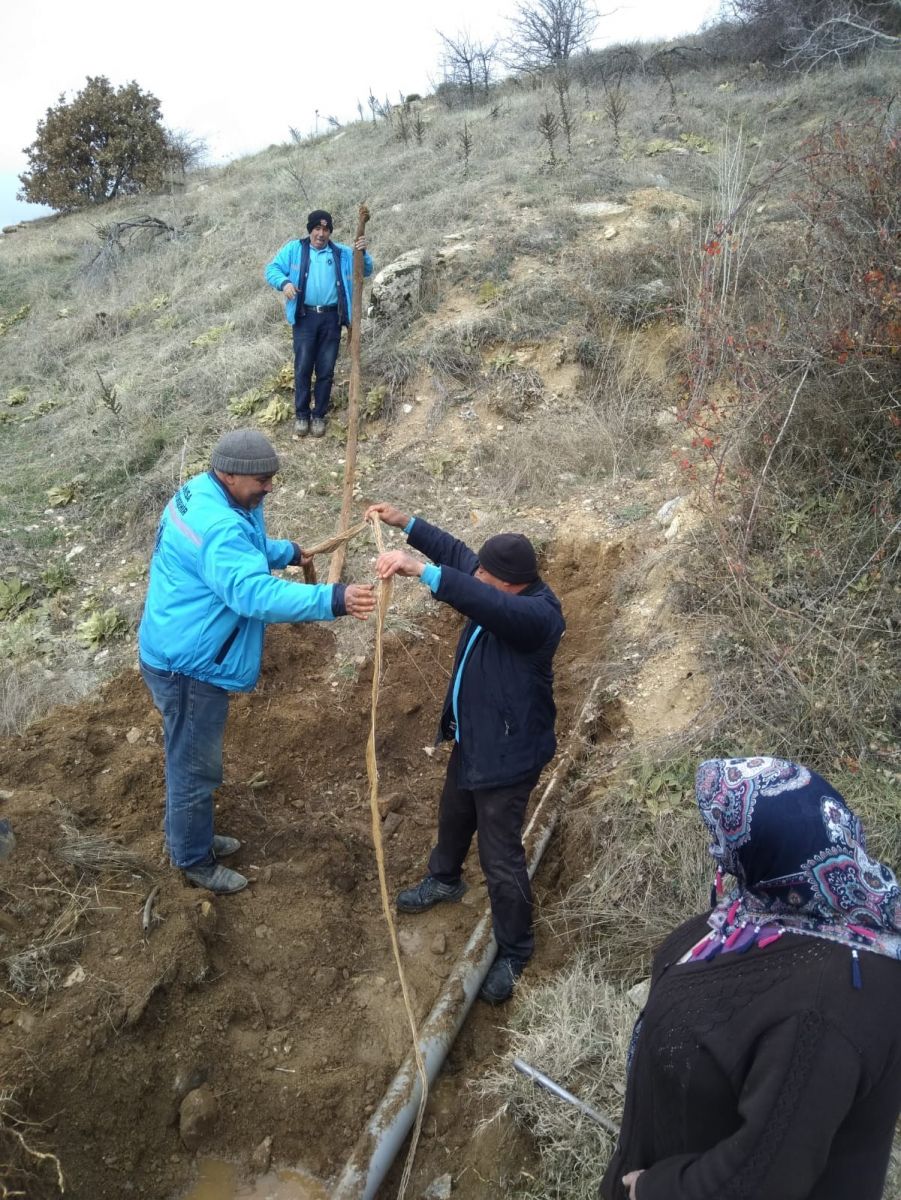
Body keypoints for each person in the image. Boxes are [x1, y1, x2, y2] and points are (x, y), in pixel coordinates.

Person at [602, 756, 901, 1200]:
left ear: (774, 852)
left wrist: (652, 1189)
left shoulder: (824, 1014)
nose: (716, 852)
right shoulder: (779, 904)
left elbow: (762, 1178)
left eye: (724, 841)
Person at [139, 429, 375, 894]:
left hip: (175, 641)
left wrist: (284, 551)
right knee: (194, 768)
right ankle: (192, 858)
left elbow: (240, 547)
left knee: (191, 760)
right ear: (230, 474)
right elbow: (252, 593)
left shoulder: (204, 493)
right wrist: (334, 599)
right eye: (262, 481)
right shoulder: (220, 525)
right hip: (188, 666)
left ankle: (192, 834)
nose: (269, 488)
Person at [367, 502, 565, 1004]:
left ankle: (516, 950)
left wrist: (421, 572)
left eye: (486, 577)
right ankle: (444, 879)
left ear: (511, 584)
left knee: (500, 856)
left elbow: (480, 598)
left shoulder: (535, 616)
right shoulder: (497, 585)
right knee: (454, 815)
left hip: (509, 755)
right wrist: (406, 523)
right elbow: (460, 557)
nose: (476, 576)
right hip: (476, 737)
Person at [264, 209, 373, 439]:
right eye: (317, 229)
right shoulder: (294, 249)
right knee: (303, 367)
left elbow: (366, 269)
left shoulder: (342, 252)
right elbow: (272, 269)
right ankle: (302, 415)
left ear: (330, 232)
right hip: (305, 317)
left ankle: (319, 415)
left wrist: (363, 252)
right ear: (310, 230)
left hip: (332, 318)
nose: (321, 234)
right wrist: (284, 283)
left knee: (326, 369)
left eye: (325, 230)